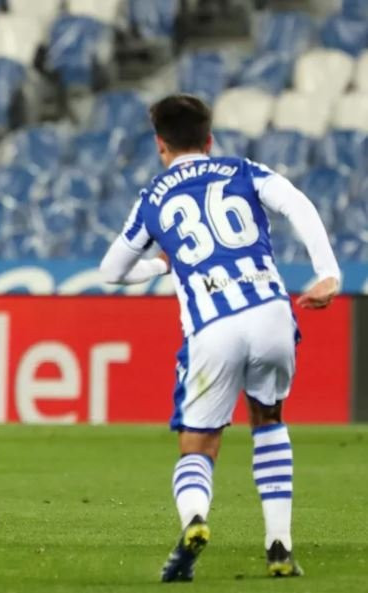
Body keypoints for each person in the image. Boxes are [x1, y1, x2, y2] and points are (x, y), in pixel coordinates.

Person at [98, 94, 340, 581]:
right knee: (268, 418)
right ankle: (279, 547)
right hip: (271, 312)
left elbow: (110, 271)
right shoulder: (242, 169)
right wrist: (328, 273)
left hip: (212, 325)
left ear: (160, 144)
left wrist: (159, 264)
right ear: (208, 140)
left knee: (199, 444)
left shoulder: (154, 196)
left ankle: (194, 522)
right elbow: (298, 204)